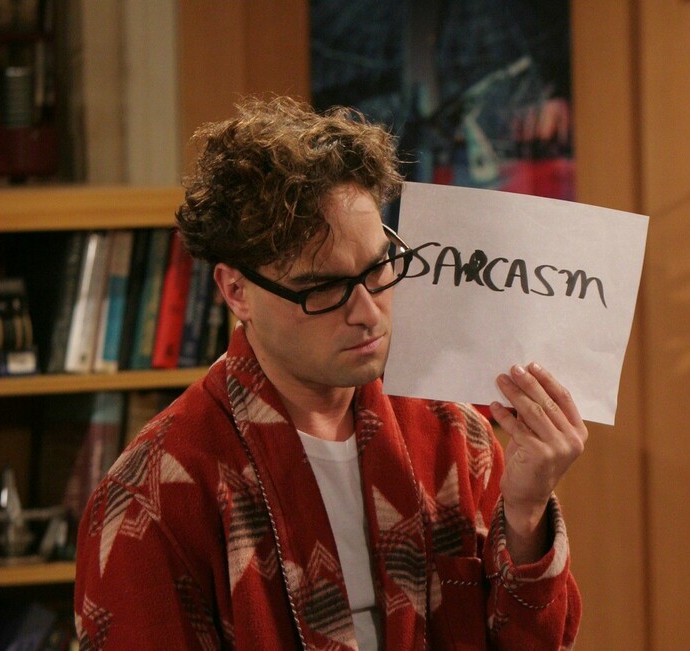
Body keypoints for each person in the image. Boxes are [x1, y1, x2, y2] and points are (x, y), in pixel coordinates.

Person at [74, 96, 586, 650]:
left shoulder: (455, 437)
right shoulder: (155, 491)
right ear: (236, 291)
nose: (367, 311)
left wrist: (527, 511)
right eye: (323, 288)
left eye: (379, 266)